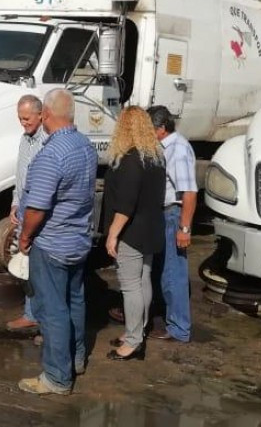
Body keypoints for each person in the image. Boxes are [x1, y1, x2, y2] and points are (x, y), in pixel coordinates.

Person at [17, 89, 98, 396]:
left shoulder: (51, 154)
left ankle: (56, 376)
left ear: (47, 115)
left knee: (52, 310)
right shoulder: (85, 147)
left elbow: (37, 207)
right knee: (75, 300)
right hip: (78, 240)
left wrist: (25, 236)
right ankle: (76, 359)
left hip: (52, 244)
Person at [103, 106, 167, 361]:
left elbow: (125, 206)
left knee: (130, 286)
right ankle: (136, 331)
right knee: (144, 281)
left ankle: (132, 341)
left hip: (132, 231)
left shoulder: (131, 160)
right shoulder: (155, 157)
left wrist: (112, 234)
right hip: (152, 228)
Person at [147, 105, 196, 343]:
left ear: (161, 129)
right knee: (164, 270)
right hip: (165, 214)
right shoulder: (166, 146)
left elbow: (188, 192)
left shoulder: (177, 149)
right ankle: (168, 318)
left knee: (173, 273)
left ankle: (179, 327)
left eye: (149, 129)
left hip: (173, 214)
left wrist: (184, 229)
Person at [6, 94, 47, 332]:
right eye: (20, 118)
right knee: (26, 267)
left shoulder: (47, 141)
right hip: (23, 209)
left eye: (27, 118)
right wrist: (15, 202)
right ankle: (30, 313)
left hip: (39, 213)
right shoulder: (24, 140)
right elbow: (19, 174)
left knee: (41, 268)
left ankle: (44, 319)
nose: (23, 123)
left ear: (41, 115)